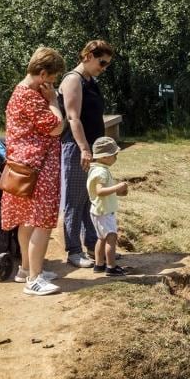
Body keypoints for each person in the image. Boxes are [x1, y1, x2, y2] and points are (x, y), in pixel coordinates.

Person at [2, 47, 66, 296]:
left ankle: (25, 269)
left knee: (27, 220)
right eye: (52, 79)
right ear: (42, 74)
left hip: (24, 167)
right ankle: (34, 279)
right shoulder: (31, 96)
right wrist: (53, 103)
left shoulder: (20, 92)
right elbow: (56, 128)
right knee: (42, 222)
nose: (53, 84)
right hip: (38, 168)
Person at [59, 40, 114, 268]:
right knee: (74, 200)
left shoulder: (92, 81)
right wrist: (83, 148)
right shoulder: (74, 79)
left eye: (107, 64)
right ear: (88, 56)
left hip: (92, 149)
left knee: (90, 198)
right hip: (77, 148)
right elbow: (73, 118)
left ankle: (93, 245)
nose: (104, 67)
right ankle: (73, 250)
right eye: (102, 62)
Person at [86, 136, 128, 276]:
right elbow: (99, 191)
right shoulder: (101, 172)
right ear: (104, 157)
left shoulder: (96, 168)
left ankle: (99, 265)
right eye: (114, 155)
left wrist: (116, 191)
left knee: (101, 238)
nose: (116, 157)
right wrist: (118, 187)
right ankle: (111, 266)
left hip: (98, 210)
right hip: (104, 211)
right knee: (111, 238)